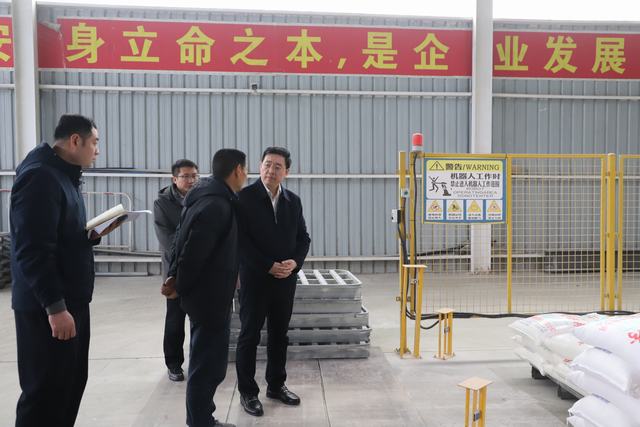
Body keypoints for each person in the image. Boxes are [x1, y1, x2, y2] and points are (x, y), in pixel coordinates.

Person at [10, 114, 101, 427]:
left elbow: (58, 233)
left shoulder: (64, 176)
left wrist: (88, 235)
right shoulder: (40, 178)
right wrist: (55, 307)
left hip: (71, 299)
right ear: (75, 141)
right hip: (47, 307)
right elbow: (32, 250)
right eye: (94, 143)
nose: (97, 151)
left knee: (69, 385)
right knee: (45, 393)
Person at [163, 149, 247, 427]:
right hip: (209, 299)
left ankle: (201, 417)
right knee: (207, 365)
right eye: (246, 170)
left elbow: (179, 240)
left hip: (205, 296)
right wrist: (179, 284)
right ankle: (200, 421)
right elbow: (193, 254)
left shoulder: (201, 197)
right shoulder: (216, 205)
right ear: (237, 170)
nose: (246, 176)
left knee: (207, 361)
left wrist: (174, 277)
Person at [235, 146, 310, 417]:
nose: (271, 170)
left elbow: (303, 238)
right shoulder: (244, 198)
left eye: (278, 166)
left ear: (286, 172)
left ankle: (276, 385)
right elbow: (240, 240)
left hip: (284, 281)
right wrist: (268, 265)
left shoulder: (293, 201)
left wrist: (294, 263)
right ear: (260, 166)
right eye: (267, 164)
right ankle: (248, 392)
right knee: (249, 335)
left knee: (280, 335)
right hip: (255, 279)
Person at [153, 159, 199, 382]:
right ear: (174, 179)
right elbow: (167, 239)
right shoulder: (162, 203)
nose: (191, 180)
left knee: (199, 319)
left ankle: (198, 361)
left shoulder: (202, 197)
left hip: (199, 268)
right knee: (175, 319)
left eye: (194, 176)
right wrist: (194, 250)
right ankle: (173, 364)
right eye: (185, 176)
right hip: (175, 271)